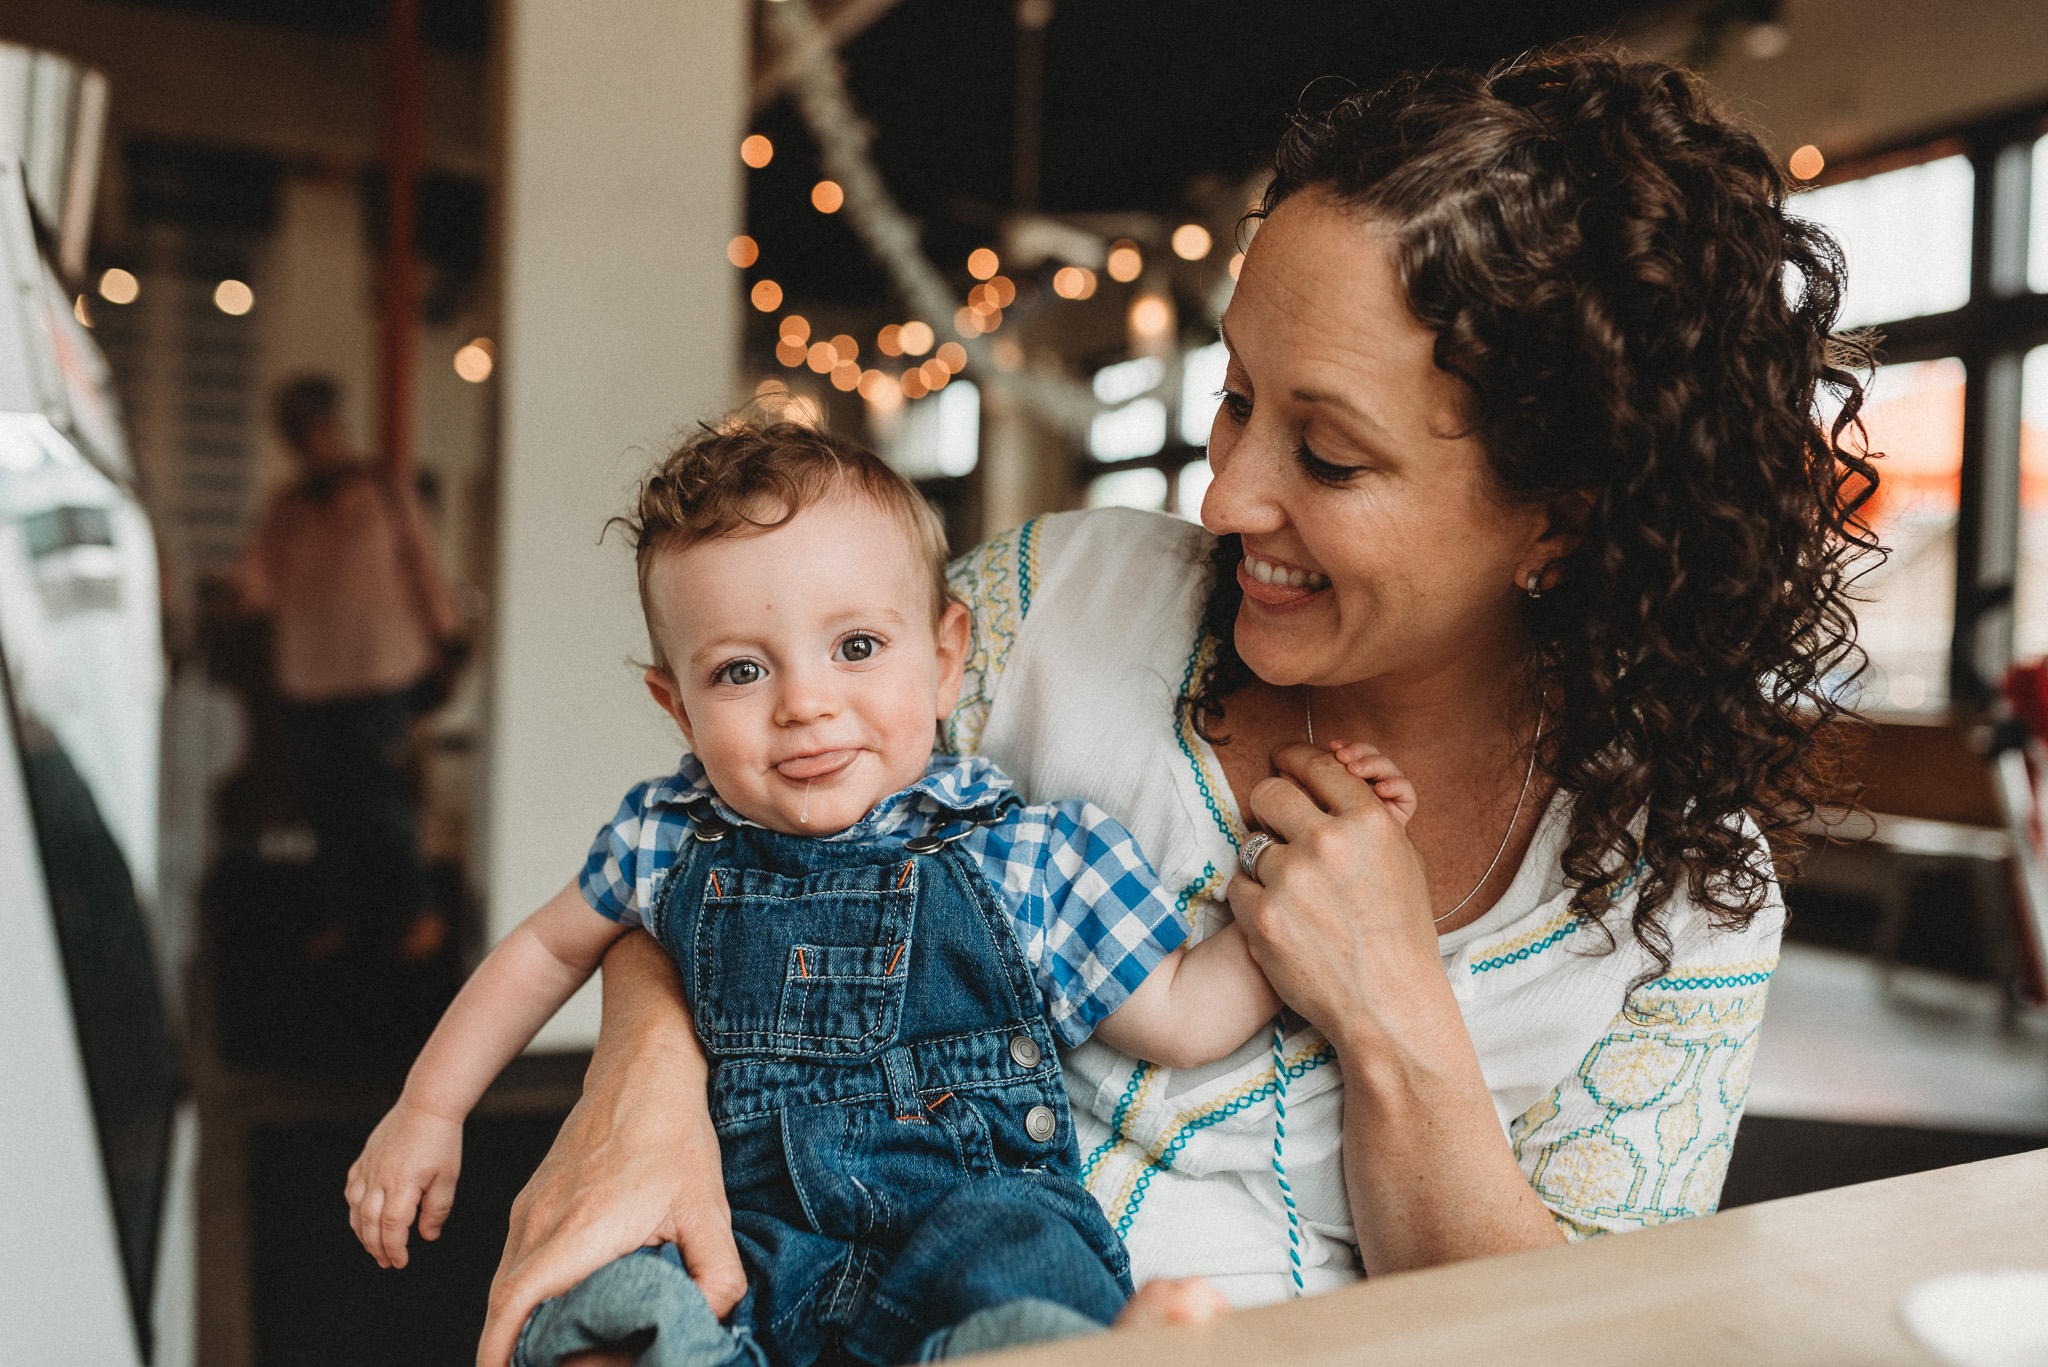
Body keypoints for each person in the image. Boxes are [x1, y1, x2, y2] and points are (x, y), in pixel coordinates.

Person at [472, 46, 1877, 1366]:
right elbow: (744, 845)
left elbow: (1581, 1342)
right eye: (1233, 401)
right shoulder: (1045, 608)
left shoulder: (1683, 907)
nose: (1223, 496)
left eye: (1326, 455)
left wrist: (1398, 1023)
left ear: (1557, 521)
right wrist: (642, 1078)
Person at [344, 421, 1418, 1365]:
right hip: (747, 1237)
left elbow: (1182, 1011)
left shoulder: (1029, 853)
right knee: (612, 1292)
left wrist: (1298, 866)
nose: (806, 704)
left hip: (962, 1231)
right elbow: (540, 951)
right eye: (739, 671)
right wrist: (427, 1107)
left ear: (946, 657)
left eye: (856, 646)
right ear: (674, 705)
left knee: (1030, 1249)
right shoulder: (667, 833)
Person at [233, 374, 462, 964]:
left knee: (379, 794)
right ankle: (343, 914)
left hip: (380, 670)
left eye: (317, 423)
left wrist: (447, 635)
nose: (311, 437)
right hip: (307, 676)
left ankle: (419, 909)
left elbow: (422, 565)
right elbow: (257, 583)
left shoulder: (385, 488)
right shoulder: (285, 508)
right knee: (324, 803)